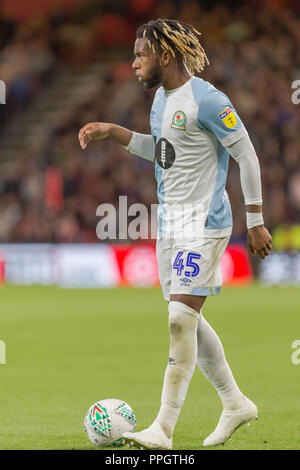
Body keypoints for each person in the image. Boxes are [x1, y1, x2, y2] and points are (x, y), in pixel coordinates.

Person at [78, 19, 272, 450]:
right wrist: (113, 132)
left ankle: (163, 428)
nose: (133, 64)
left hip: (205, 222)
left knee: (179, 318)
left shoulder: (208, 100)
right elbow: (162, 152)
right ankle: (234, 402)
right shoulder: (161, 101)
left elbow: (247, 155)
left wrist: (255, 220)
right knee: (188, 321)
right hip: (171, 226)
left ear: (164, 55)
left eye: (139, 55)